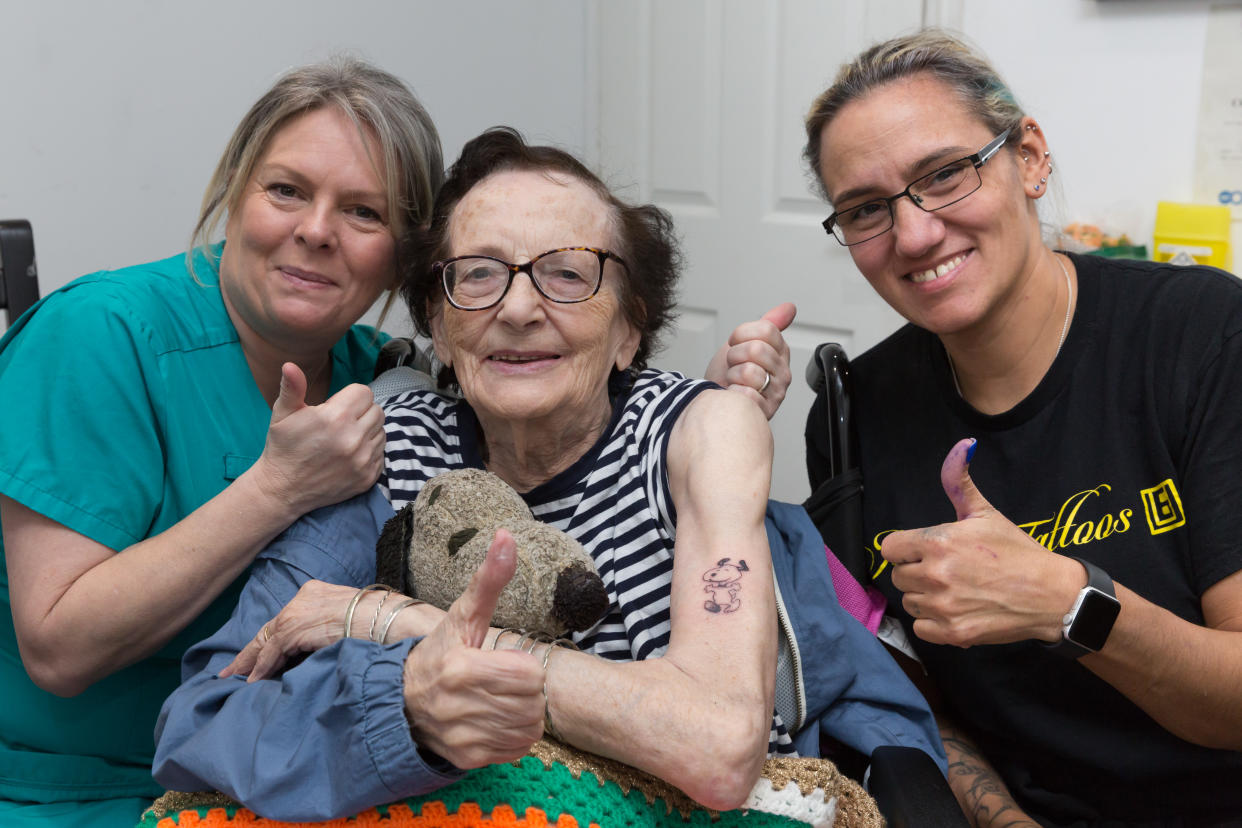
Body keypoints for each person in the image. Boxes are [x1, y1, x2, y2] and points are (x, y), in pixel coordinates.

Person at [153, 127, 946, 822]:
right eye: (478, 274)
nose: (520, 309)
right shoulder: (385, 453)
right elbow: (204, 720)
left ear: (631, 327)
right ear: (436, 318)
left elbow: (717, 750)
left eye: (569, 273)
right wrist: (410, 714)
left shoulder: (697, 435)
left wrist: (399, 623)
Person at [802, 29, 1242, 828]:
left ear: (1030, 158)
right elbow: (900, 690)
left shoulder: (1203, 336)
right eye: (866, 210)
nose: (914, 235)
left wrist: (1068, 603)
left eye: (943, 175)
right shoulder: (857, 411)